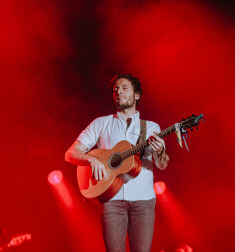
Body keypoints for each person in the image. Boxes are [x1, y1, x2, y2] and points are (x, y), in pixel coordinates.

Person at [65, 74, 170, 252]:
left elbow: (162, 164)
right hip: (111, 201)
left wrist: (160, 151)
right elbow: (70, 154)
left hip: (143, 201)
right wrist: (91, 160)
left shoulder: (151, 128)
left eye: (124, 88)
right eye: (115, 90)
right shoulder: (101, 123)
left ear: (137, 95)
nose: (118, 92)